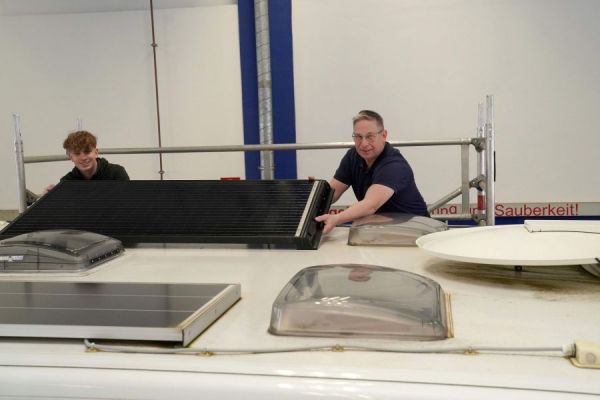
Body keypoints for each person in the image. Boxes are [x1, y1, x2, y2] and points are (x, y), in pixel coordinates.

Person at [315, 110, 428, 234]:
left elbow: (370, 205)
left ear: (384, 135)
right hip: (382, 227)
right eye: (358, 137)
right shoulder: (353, 156)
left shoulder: (394, 165)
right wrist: (313, 194)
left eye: (370, 136)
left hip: (416, 230)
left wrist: (336, 218)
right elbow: (332, 193)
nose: (364, 144)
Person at [44, 130, 129, 193]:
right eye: (77, 153)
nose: (83, 158)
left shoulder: (116, 173)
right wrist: (49, 200)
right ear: (71, 157)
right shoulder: (66, 182)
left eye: (87, 151)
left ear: (96, 152)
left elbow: (127, 204)